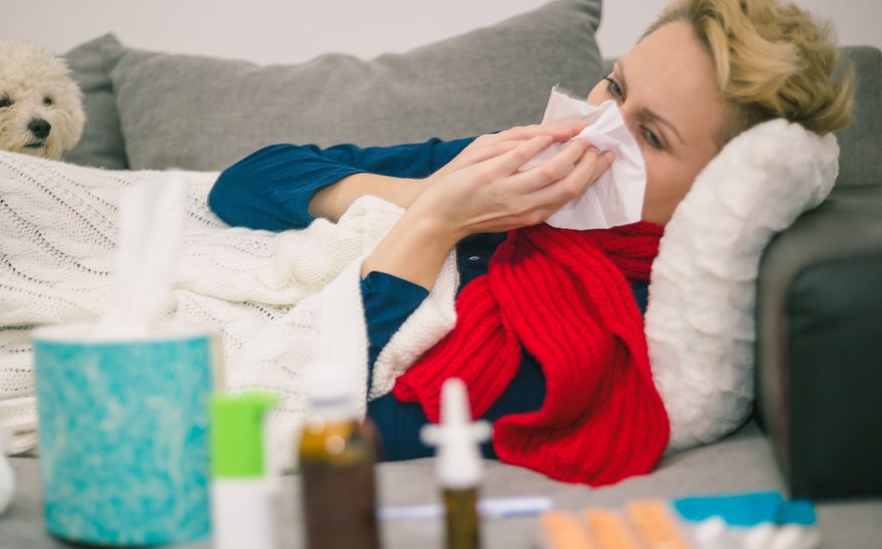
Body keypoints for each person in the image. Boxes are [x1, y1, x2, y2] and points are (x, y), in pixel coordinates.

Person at [208, 0, 854, 484]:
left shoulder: (601, 322)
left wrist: (436, 225)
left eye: (651, 136)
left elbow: (335, 418)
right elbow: (241, 185)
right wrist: (427, 193)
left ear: (720, 188)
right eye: (616, 86)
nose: (596, 131)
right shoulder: (505, 164)